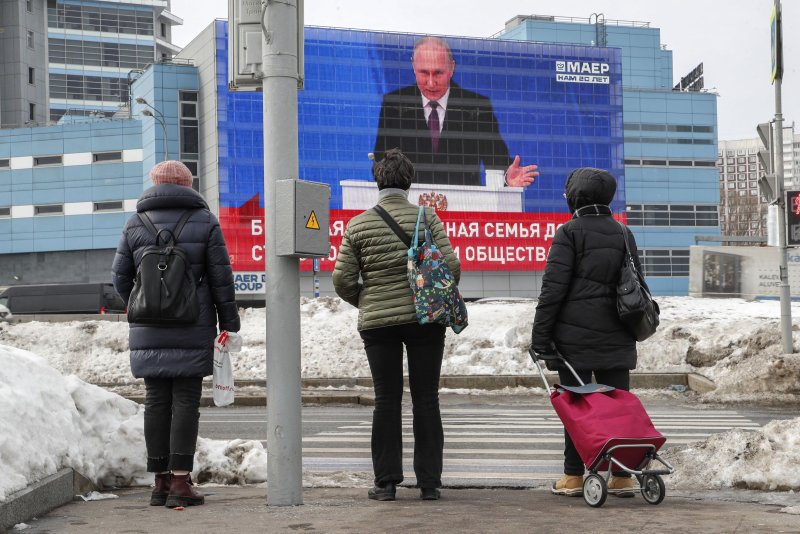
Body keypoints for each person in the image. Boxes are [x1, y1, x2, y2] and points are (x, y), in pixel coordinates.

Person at [333, 148, 460, 501]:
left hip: (378, 325)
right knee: (426, 399)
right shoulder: (427, 217)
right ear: (409, 181)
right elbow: (451, 267)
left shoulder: (358, 224)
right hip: (425, 321)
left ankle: (386, 483)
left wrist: (370, 300)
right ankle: (430, 484)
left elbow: (342, 280)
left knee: (386, 400)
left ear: (378, 180)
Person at [112, 160, 240, 508]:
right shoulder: (205, 222)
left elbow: (120, 277)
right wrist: (229, 321)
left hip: (148, 328)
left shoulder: (135, 223)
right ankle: (181, 482)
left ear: (154, 185)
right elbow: (220, 279)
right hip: (192, 323)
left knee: (156, 402)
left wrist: (142, 305)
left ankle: (160, 483)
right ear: (188, 185)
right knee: (185, 401)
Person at [530, 167, 642, 498]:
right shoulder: (624, 233)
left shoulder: (569, 233)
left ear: (576, 197)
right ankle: (622, 476)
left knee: (576, 407)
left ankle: (574, 476)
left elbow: (552, 290)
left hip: (573, 341)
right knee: (617, 406)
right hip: (620, 334)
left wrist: (540, 338)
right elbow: (636, 284)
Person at [373, 36, 539, 188]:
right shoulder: (394, 104)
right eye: (424, 72)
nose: (431, 83)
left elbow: (497, 161)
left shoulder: (477, 107)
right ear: (413, 66)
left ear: (451, 67)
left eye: (438, 72)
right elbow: (380, 164)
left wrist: (506, 179)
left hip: (464, 212)